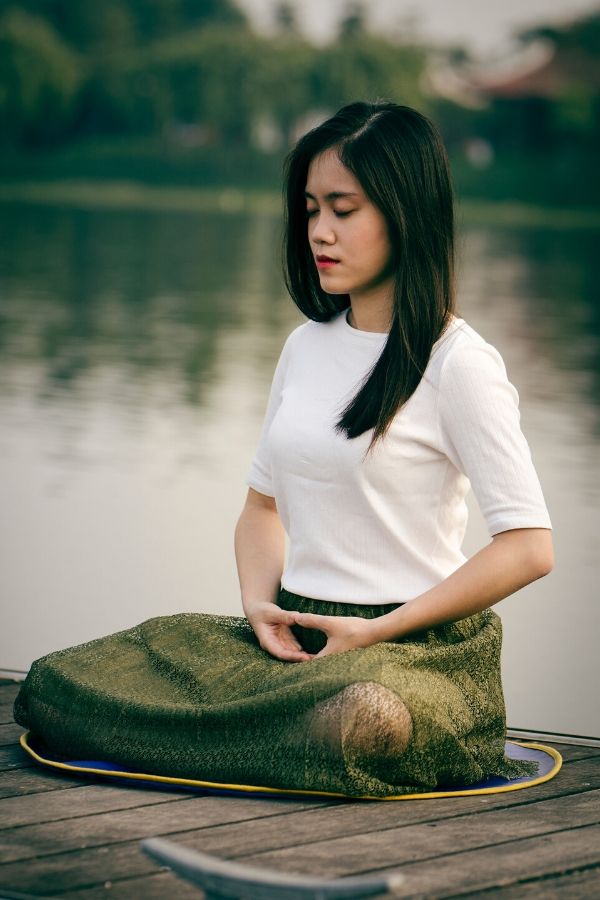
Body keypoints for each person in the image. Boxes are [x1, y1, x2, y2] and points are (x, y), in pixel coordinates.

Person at [14, 100, 553, 798]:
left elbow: (529, 547)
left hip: (411, 657)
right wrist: (259, 606)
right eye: (309, 210)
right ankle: (260, 734)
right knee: (60, 683)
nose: (319, 232)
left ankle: (250, 735)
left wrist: (380, 630)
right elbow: (261, 509)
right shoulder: (306, 348)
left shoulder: (459, 364)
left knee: (360, 718)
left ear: (404, 210)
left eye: (343, 209)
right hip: (295, 642)